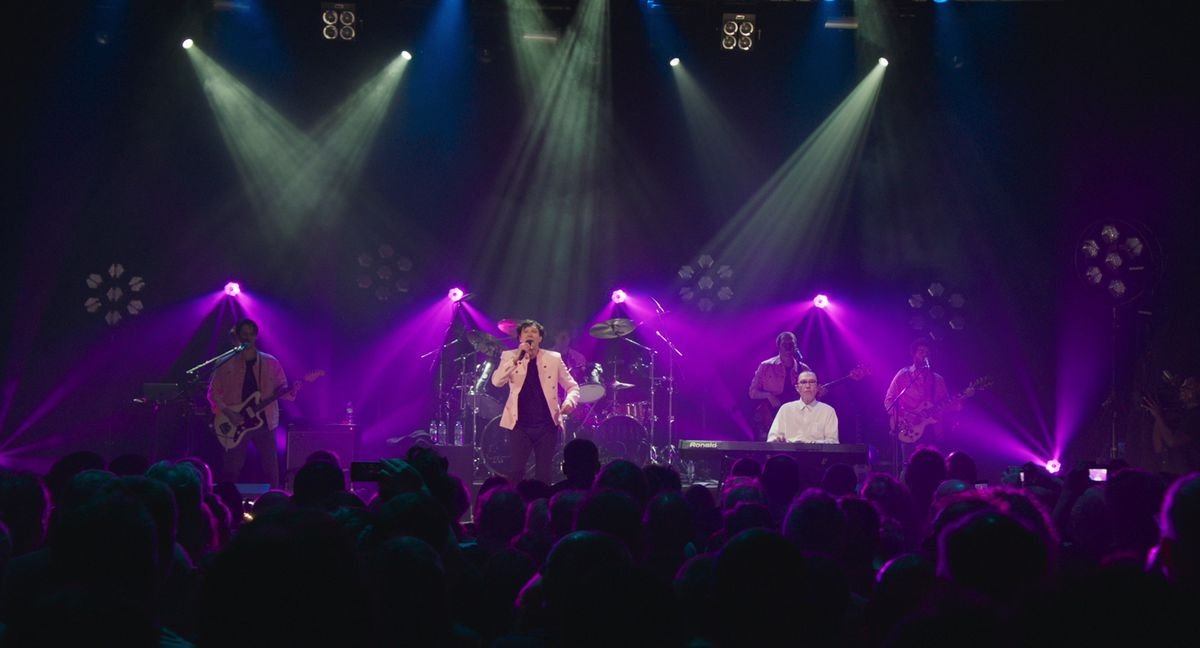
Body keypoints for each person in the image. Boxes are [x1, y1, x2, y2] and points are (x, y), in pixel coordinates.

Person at [492, 320, 580, 483]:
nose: (530, 334)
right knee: (517, 471)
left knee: (543, 473)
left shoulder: (553, 358)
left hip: (547, 425)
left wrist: (570, 402)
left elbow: (573, 386)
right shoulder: (509, 356)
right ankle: (516, 506)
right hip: (519, 424)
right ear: (520, 338)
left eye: (534, 332)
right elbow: (497, 382)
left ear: (540, 338)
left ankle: (541, 506)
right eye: (526, 332)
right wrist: (516, 358)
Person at [207, 319, 291, 488]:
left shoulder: (270, 362)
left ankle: (274, 501)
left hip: (265, 422)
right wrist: (230, 413)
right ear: (237, 336)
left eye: (251, 333)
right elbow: (212, 393)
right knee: (231, 469)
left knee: (271, 469)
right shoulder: (224, 362)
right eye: (244, 333)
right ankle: (229, 503)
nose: (247, 337)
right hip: (235, 421)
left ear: (256, 336)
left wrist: (292, 388)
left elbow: (284, 388)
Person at [883, 339, 966, 457]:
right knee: (909, 469)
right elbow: (889, 401)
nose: (925, 354)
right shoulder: (903, 375)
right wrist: (904, 415)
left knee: (934, 468)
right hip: (909, 429)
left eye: (927, 352)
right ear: (914, 355)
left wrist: (958, 403)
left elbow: (945, 405)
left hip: (932, 429)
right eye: (921, 351)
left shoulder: (938, 379)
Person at [749, 332, 813, 439]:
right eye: (785, 344)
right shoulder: (766, 366)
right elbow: (752, 393)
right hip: (769, 417)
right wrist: (768, 395)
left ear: (795, 346)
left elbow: (811, 395)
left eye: (791, 344)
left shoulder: (804, 369)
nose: (788, 347)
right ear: (778, 346)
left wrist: (817, 392)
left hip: (794, 418)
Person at [1142, 374, 1200, 474]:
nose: (1182, 389)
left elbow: (1173, 442)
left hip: (1191, 476)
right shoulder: (1182, 414)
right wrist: (1158, 415)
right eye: (1182, 386)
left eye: (1188, 387)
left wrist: (1158, 415)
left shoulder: (1195, 416)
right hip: (1175, 474)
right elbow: (1159, 447)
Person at [766, 370, 839, 444]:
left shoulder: (828, 411)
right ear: (797, 388)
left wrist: (810, 444)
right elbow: (772, 438)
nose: (807, 386)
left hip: (817, 455)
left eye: (812, 382)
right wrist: (777, 440)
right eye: (803, 382)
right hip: (788, 454)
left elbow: (833, 442)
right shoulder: (785, 409)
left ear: (817, 387)